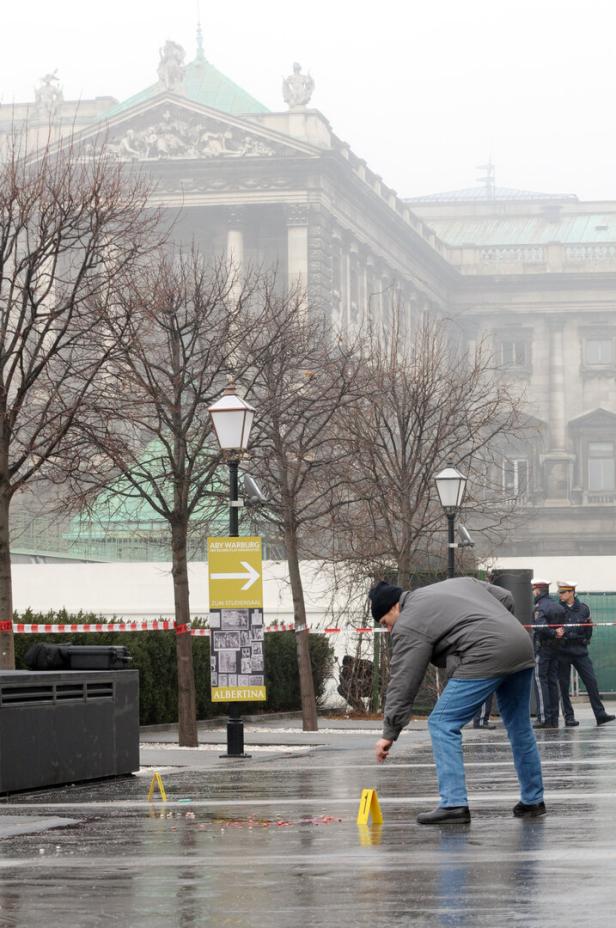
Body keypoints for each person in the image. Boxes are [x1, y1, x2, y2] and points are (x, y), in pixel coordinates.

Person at [369, 577, 545, 825]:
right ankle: (533, 800)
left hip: (486, 651)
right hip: (520, 643)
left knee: (442, 722)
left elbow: (403, 679)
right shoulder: (456, 584)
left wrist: (390, 731)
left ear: (393, 607)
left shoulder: (409, 622)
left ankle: (453, 804)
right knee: (519, 727)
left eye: (385, 623)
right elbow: (506, 597)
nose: (389, 630)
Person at [556, 581, 615, 727]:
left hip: (580, 651)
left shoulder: (584, 609)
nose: (561, 595)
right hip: (563, 651)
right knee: (563, 686)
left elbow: (588, 628)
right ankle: (569, 717)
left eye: (563, 592)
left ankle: (600, 714)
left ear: (571, 593)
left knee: (591, 682)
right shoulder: (557, 609)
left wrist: (584, 639)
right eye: (560, 592)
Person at [531, 578, 565, 729]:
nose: (533, 593)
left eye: (534, 590)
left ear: (538, 590)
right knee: (552, 681)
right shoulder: (558, 606)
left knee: (540, 681)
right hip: (556, 649)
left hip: (543, 648)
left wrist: (552, 632)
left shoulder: (540, 607)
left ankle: (543, 717)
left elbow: (540, 627)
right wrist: (557, 633)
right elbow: (563, 627)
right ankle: (553, 717)